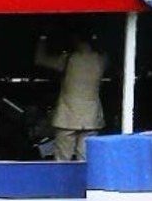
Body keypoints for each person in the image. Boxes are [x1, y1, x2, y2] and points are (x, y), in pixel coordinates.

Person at [35, 31, 107, 161]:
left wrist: (42, 37)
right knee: (85, 160)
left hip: (67, 117)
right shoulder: (101, 59)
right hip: (91, 118)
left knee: (62, 160)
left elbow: (39, 59)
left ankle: (61, 182)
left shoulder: (68, 59)